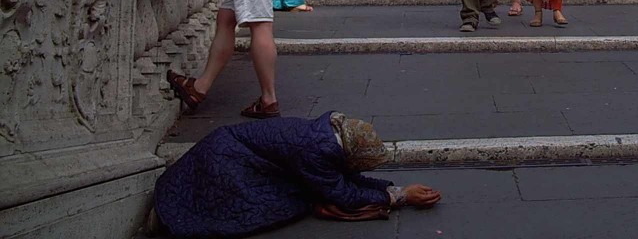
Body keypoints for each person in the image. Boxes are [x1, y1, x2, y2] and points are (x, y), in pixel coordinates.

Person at [150, 112, 440, 238]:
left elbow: (344, 179)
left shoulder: (327, 138)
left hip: (234, 151)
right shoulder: (317, 152)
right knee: (259, 208)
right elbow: (344, 192)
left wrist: (393, 189)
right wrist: (399, 196)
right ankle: (164, 218)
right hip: (227, 161)